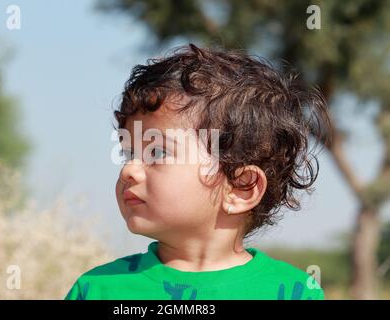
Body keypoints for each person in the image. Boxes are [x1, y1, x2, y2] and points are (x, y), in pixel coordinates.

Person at [65, 43, 331, 300]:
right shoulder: (99, 289)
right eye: (129, 154)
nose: (129, 170)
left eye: (157, 152)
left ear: (241, 187)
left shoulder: (294, 292)